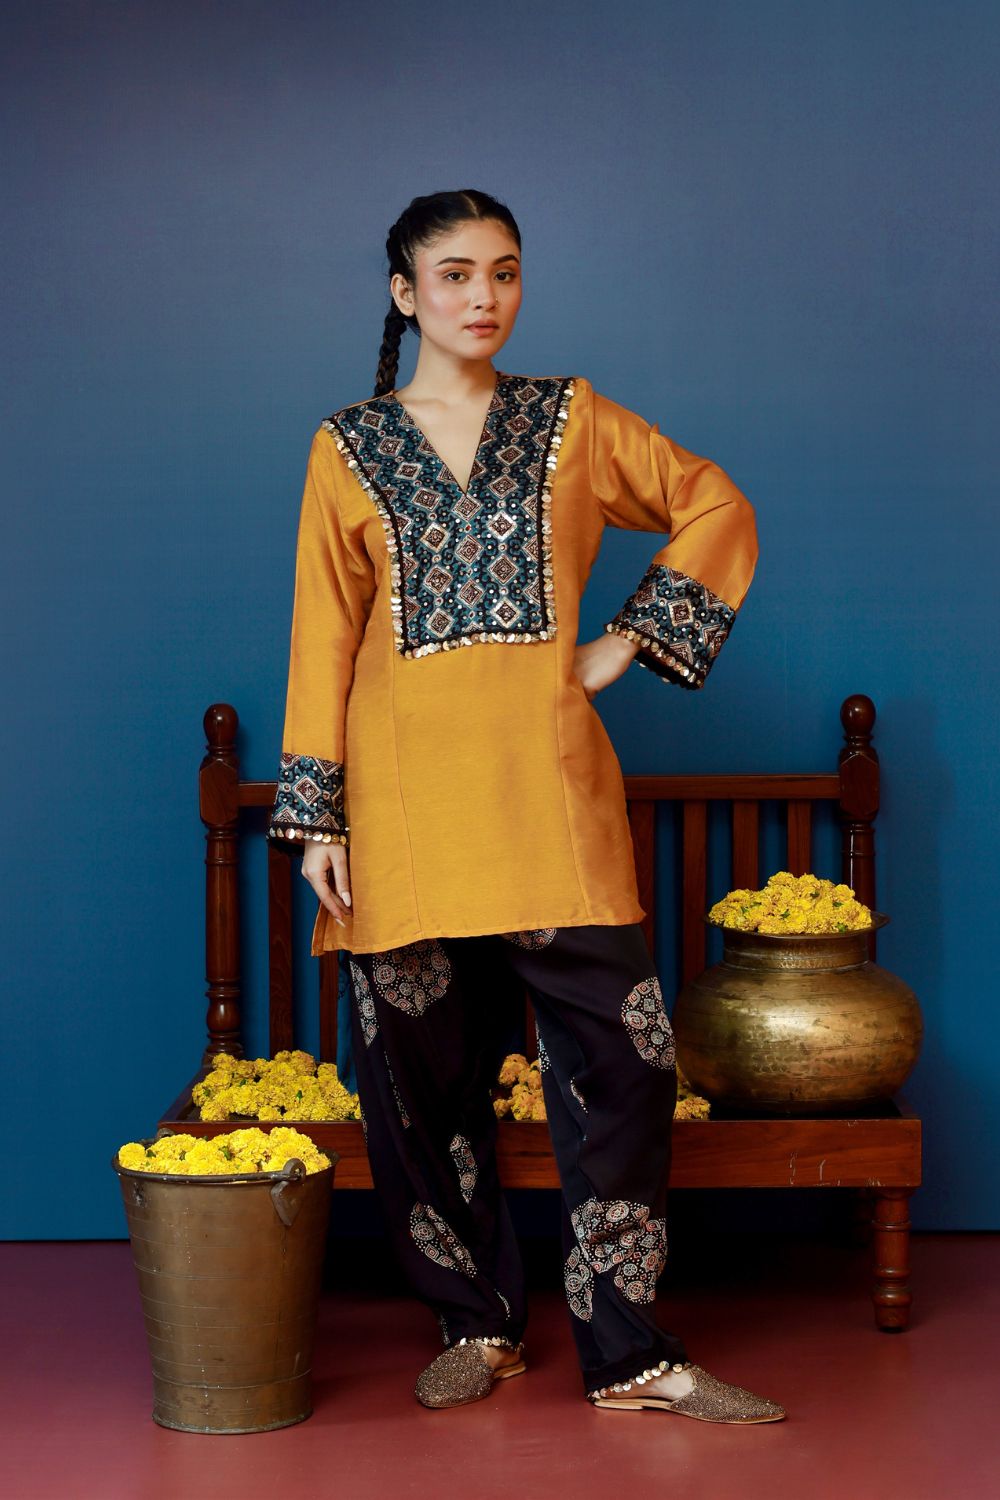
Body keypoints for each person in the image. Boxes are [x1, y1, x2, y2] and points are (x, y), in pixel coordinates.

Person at [267, 189, 784, 1423]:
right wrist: (318, 815)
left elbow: (715, 501)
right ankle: (476, 1323)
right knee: (417, 1081)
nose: (483, 296)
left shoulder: (570, 419)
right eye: (453, 275)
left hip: (546, 790)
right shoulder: (347, 445)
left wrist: (626, 642)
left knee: (624, 1063)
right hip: (404, 801)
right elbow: (323, 631)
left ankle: (630, 1353)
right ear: (405, 294)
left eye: (503, 271)